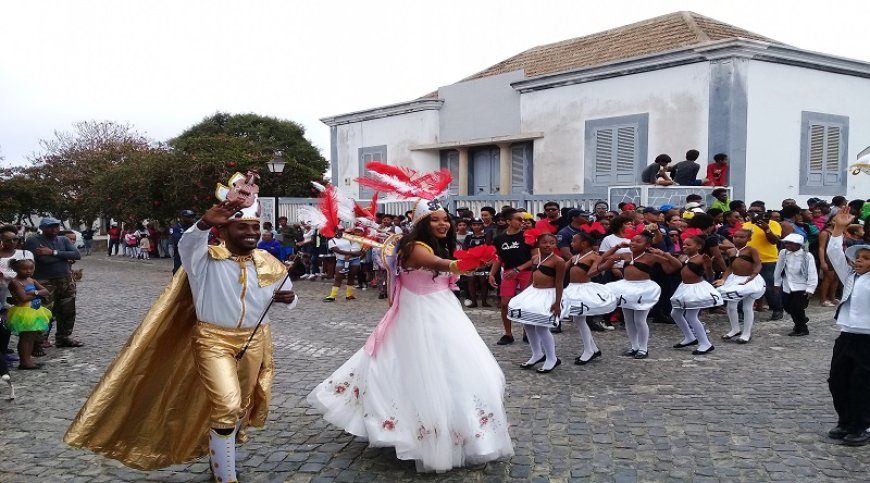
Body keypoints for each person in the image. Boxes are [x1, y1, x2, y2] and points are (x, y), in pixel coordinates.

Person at [65, 181, 297, 481]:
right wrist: (202, 224)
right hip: (214, 340)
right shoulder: (204, 259)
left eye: (255, 229)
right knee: (226, 405)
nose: (252, 234)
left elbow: (288, 293)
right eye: (244, 229)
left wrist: (290, 299)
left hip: (255, 340)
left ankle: (221, 453)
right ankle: (226, 478)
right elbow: (188, 244)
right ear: (224, 232)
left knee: (240, 406)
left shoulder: (269, 261)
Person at [307, 190, 514, 472]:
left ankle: (457, 429)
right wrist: (469, 262)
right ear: (422, 224)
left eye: (446, 220)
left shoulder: (435, 245)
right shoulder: (416, 247)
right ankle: (417, 431)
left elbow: (445, 268)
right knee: (422, 367)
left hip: (442, 308)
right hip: (420, 312)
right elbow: (441, 266)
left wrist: (472, 261)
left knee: (455, 366)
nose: (443, 225)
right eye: (435, 220)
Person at [824, 211, 870, 445]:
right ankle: (845, 420)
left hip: (868, 339)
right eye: (858, 257)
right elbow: (834, 254)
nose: (859, 261)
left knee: (862, 383)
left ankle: (862, 425)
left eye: (866, 258)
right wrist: (839, 229)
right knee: (838, 380)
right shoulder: (851, 276)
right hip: (847, 335)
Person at [601, 233, 681, 359]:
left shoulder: (651, 257)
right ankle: (634, 346)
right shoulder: (627, 255)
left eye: (638, 242)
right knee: (628, 319)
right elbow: (604, 258)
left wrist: (664, 253)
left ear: (647, 245)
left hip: (643, 288)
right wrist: (617, 247)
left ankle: (643, 348)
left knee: (639, 319)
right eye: (632, 240)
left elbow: (676, 265)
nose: (633, 243)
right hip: (626, 287)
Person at [507, 233, 565, 373]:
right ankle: (537, 353)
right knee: (527, 323)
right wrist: (524, 293)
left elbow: (559, 282)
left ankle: (552, 358)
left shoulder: (558, 261)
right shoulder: (535, 258)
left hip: (547, 294)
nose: (548, 245)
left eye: (552, 243)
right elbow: (531, 277)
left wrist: (557, 303)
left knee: (541, 326)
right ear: (538, 243)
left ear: (555, 245)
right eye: (545, 242)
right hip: (533, 292)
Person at [24, 217, 82, 348]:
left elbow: (77, 255)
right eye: (50, 226)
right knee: (44, 310)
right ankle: (39, 340)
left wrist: (52, 252)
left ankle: (63, 337)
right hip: (44, 281)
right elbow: (43, 260)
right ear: (43, 228)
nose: (54, 229)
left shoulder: (63, 239)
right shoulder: (34, 240)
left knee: (68, 309)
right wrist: (65, 257)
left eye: (56, 226)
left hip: (65, 279)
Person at [562, 232, 617, 364]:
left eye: (574, 241)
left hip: (584, 289)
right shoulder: (575, 257)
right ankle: (593, 348)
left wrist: (606, 265)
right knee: (578, 320)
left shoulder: (593, 256)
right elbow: (562, 269)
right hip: (572, 288)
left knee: (580, 320)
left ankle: (589, 350)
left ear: (584, 243)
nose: (571, 244)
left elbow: (592, 272)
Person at [669, 236, 722, 355]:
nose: (685, 246)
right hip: (684, 287)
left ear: (698, 247)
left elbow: (709, 275)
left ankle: (705, 343)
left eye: (689, 245)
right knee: (675, 313)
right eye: (684, 244)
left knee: (691, 316)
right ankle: (689, 337)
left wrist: (708, 266)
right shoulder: (683, 257)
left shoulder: (701, 258)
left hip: (696, 288)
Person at [489, 209, 533, 345]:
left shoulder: (528, 236)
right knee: (505, 303)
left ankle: (528, 332)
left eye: (523, 219)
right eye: (519, 219)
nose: (523, 222)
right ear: (509, 221)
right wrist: (492, 273)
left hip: (526, 271)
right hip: (508, 272)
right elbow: (498, 258)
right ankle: (508, 334)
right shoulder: (499, 239)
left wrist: (518, 268)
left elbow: (535, 258)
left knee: (527, 303)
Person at [715, 229, 766, 343]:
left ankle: (746, 333)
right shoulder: (731, 251)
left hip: (749, 280)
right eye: (735, 236)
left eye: (741, 237)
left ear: (748, 239)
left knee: (747, 307)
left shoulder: (751, 250)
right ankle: (735, 329)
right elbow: (731, 267)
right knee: (731, 306)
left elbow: (758, 264)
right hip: (734, 279)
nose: (737, 239)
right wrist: (723, 279)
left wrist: (753, 276)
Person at [6, 259, 52, 369]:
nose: (28, 271)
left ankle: (28, 359)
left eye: (31, 268)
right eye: (24, 269)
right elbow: (23, 298)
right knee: (25, 337)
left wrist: (35, 292)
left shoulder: (31, 280)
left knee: (31, 336)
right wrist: (37, 294)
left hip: (34, 310)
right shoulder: (15, 282)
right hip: (23, 312)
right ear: (16, 269)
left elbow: (46, 291)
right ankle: (24, 361)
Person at [773, 233, 818, 337]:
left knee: (796, 307)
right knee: (787, 306)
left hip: (801, 286)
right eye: (786, 243)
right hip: (787, 284)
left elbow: (812, 272)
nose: (788, 246)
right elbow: (778, 268)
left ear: (798, 245)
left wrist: (811, 288)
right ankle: (801, 318)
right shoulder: (783, 253)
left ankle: (801, 328)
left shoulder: (807, 256)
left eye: (791, 244)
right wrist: (777, 283)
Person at [745, 205, 784, 320]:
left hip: (768, 260)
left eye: (757, 211)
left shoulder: (773, 224)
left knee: (770, 287)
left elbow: (774, 241)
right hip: (748, 260)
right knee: (746, 285)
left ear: (763, 212)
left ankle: (777, 309)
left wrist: (766, 229)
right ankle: (745, 311)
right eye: (750, 211)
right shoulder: (745, 225)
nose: (753, 213)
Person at [323, 227, 364, 302]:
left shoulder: (349, 238)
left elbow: (359, 249)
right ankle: (332, 295)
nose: (341, 231)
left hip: (354, 259)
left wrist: (354, 254)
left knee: (351, 276)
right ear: (334, 231)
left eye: (342, 230)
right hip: (341, 260)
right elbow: (338, 251)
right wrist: (352, 254)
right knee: (338, 277)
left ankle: (349, 295)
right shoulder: (331, 241)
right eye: (338, 230)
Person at [464, 219, 491, 308]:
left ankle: (484, 301)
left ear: (482, 225)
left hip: (483, 262)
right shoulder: (468, 237)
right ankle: (474, 302)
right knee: (471, 281)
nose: (476, 226)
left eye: (479, 224)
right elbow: (465, 248)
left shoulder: (486, 235)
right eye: (474, 225)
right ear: (471, 226)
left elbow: (487, 247)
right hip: (471, 262)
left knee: (483, 281)